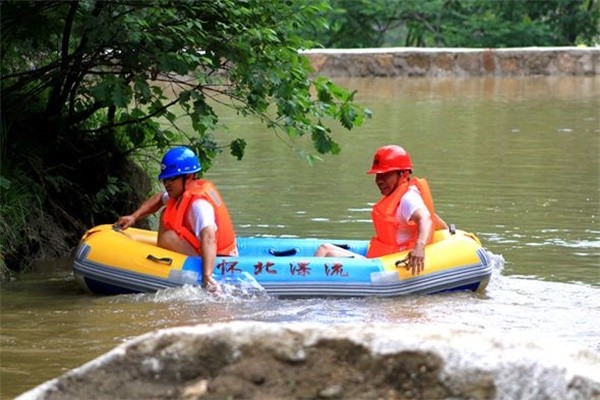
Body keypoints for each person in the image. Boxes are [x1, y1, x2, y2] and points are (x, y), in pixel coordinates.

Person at [116, 146, 238, 290]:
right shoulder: (180, 193)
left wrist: (207, 275)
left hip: (218, 256)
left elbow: (209, 237)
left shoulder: (200, 204)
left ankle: (191, 269)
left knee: (169, 238)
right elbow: (159, 199)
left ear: (188, 177)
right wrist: (134, 217)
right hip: (202, 247)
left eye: (171, 179)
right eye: (165, 180)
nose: (166, 184)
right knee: (165, 214)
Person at [314, 145, 448, 275]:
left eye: (385, 175)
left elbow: (425, 218)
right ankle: (308, 282)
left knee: (331, 254)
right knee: (324, 248)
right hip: (382, 260)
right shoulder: (403, 195)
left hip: (393, 264)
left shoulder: (408, 198)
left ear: (403, 174)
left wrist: (419, 247)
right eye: (378, 175)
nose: (379, 181)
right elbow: (434, 218)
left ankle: (312, 284)